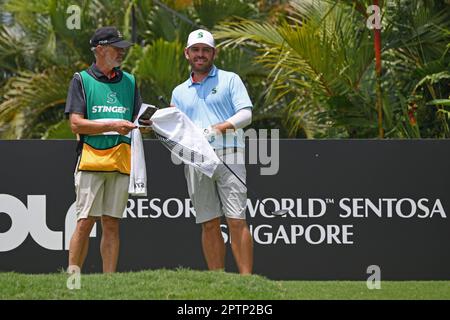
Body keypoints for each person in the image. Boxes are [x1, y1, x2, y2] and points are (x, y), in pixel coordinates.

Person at [65, 26, 149, 273]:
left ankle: (109, 282)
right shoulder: (81, 79)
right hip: (91, 160)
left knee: (112, 224)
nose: (122, 53)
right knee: (85, 222)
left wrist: (143, 125)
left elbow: (136, 119)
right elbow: (75, 124)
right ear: (100, 50)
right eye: (116, 48)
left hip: (121, 161)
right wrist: (112, 125)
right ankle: (73, 277)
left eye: (123, 49)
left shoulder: (130, 81)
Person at [171, 29, 254, 274]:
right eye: (196, 50)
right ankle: (218, 280)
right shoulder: (179, 92)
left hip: (230, 153)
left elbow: (246, 114)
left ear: (213, 53)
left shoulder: (230, 80)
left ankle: (246, 282)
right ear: (187, 53)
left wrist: (223, 126)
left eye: (205, 50)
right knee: (208, 223)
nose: (200, 55)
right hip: (197, 159)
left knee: (236, 220)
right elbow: (177, 127)